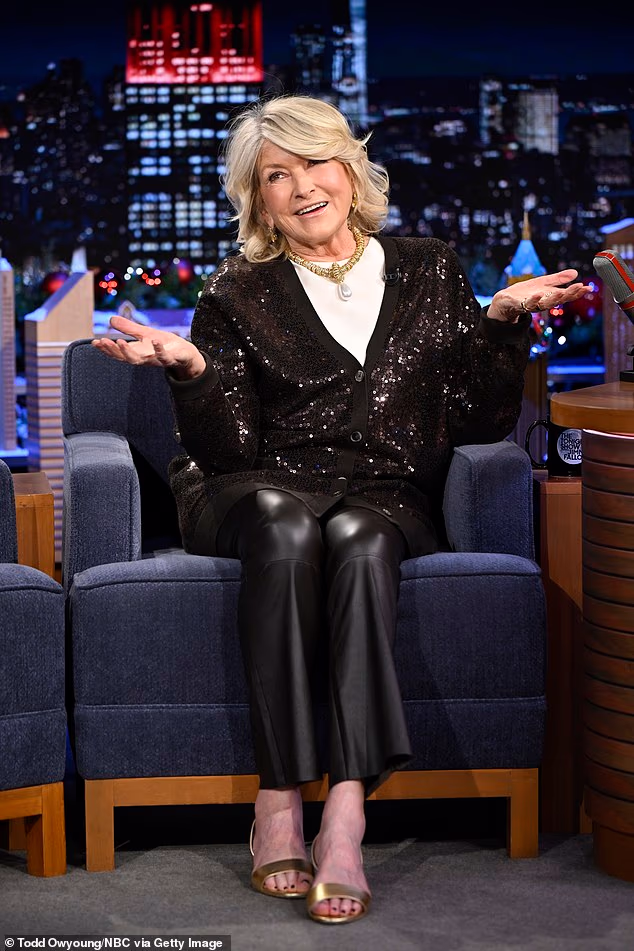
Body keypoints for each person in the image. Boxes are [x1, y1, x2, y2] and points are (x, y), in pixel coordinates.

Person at [92, 93, 591, 925]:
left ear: (351, 170)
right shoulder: (236, 291)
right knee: (288, 526)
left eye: (315, 162)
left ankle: (347, 817)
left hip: (382, 493)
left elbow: (477, 421)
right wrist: (192, 369)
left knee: (360, 538)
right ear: (259, 201)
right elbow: (230, 450)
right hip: (254, 487)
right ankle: (279, 802)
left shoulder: (430, 269)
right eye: (275, 175)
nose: (301, 187)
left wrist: (502, 325)